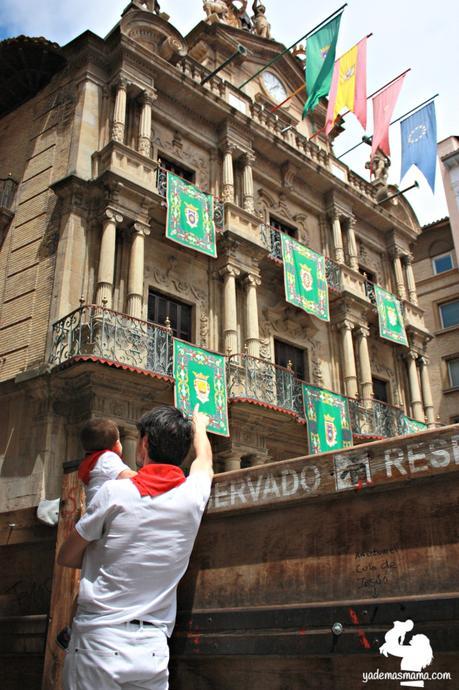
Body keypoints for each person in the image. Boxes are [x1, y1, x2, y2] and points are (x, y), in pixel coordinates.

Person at [58, 404, 213, 690]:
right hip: (151, 650)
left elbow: (66, 556)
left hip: (99, 644)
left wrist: (103, 552)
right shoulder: (194, 495)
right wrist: (199, 426)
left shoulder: (114, 493)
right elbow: (204, 460)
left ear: (143, 444)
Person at [57, 418, 136, 649]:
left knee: (87, 583)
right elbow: (129, 478)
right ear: (116, 445)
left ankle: (71, 630)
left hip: (94, 530)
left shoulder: (92, 462)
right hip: (106, 526)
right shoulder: (108, 459)